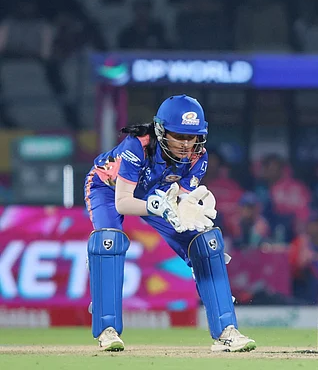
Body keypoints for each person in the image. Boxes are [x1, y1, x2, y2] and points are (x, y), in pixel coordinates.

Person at [84, 94, 256, 352]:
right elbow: (123, 202)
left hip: (157, 195)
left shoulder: (199, 157)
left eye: (192, 137)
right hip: (108, 189)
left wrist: (188, 212)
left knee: (205, 244)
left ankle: (226, 331)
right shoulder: (137, 145)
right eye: (180, 136)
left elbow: (182, 204)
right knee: (109, 242)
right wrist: (158, 206)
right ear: (161, 131)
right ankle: (107, 329)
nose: (187, 144)